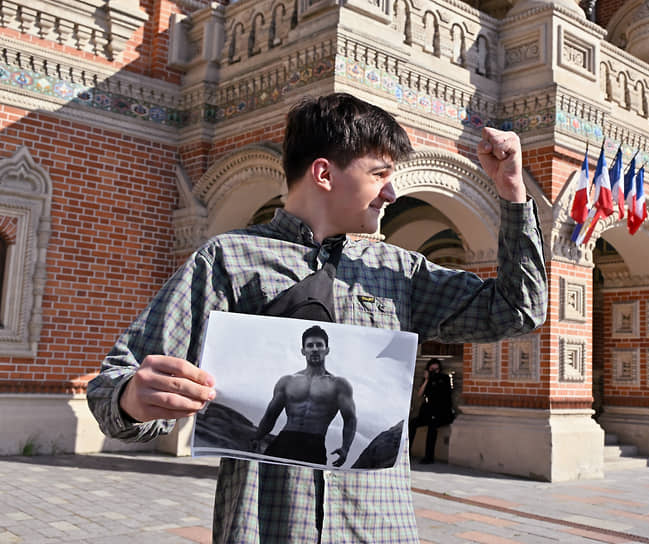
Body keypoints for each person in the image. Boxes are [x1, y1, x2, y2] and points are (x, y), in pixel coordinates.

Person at [86, 92, 547, 543]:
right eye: (379, 174)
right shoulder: (229, 260)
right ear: (324, 173)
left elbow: (518, 308)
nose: (391, 192)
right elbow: (113, 383)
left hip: (376, 526)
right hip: (266, 526)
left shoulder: (399, 273)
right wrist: (134, 396)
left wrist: (511, 193)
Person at [252, 325, 356, 467]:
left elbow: (350, 419)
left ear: (327, 350)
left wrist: (345, 448)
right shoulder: (287, 381)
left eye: (319, 345)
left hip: (314, 444)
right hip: (284, 441)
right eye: (310, 345)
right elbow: (270, 416)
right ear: (303, 351)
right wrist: (257, 438)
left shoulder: (339, 384)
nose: (314, 349)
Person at [409, 358, 454, 464]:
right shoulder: (428, 380)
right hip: (428, 413)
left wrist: (435, 380)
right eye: (431, 369)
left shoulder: (444, 378)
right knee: (413, 423)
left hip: (442, 413)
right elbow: (419, 394)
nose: (434, 372)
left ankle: (429, 457)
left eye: (436, 369)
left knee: (432, 426)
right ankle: (407, 452)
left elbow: (446, 395)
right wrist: (427, 380)